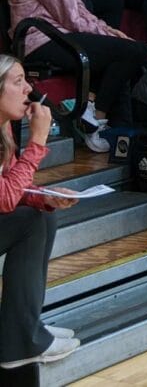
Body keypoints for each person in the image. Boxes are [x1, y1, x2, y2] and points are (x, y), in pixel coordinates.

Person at [2, 0, 147, 148]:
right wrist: (109, 35)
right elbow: (72, 18)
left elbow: (79, 14)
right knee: (133, 51)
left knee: (128, 52)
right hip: (41, 43)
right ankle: (93, 116)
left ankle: (110, 124)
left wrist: (109, 31)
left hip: (58, 37)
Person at [0, 55, 81, 370]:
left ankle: (26, 326)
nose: (29, 90)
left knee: (42, 214)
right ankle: (20, 344)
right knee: (29, 223)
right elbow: (6, 200)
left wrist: (44, 198)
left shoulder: (3, 128)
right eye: (18, 82)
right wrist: (37, 140)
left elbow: (11, 189)